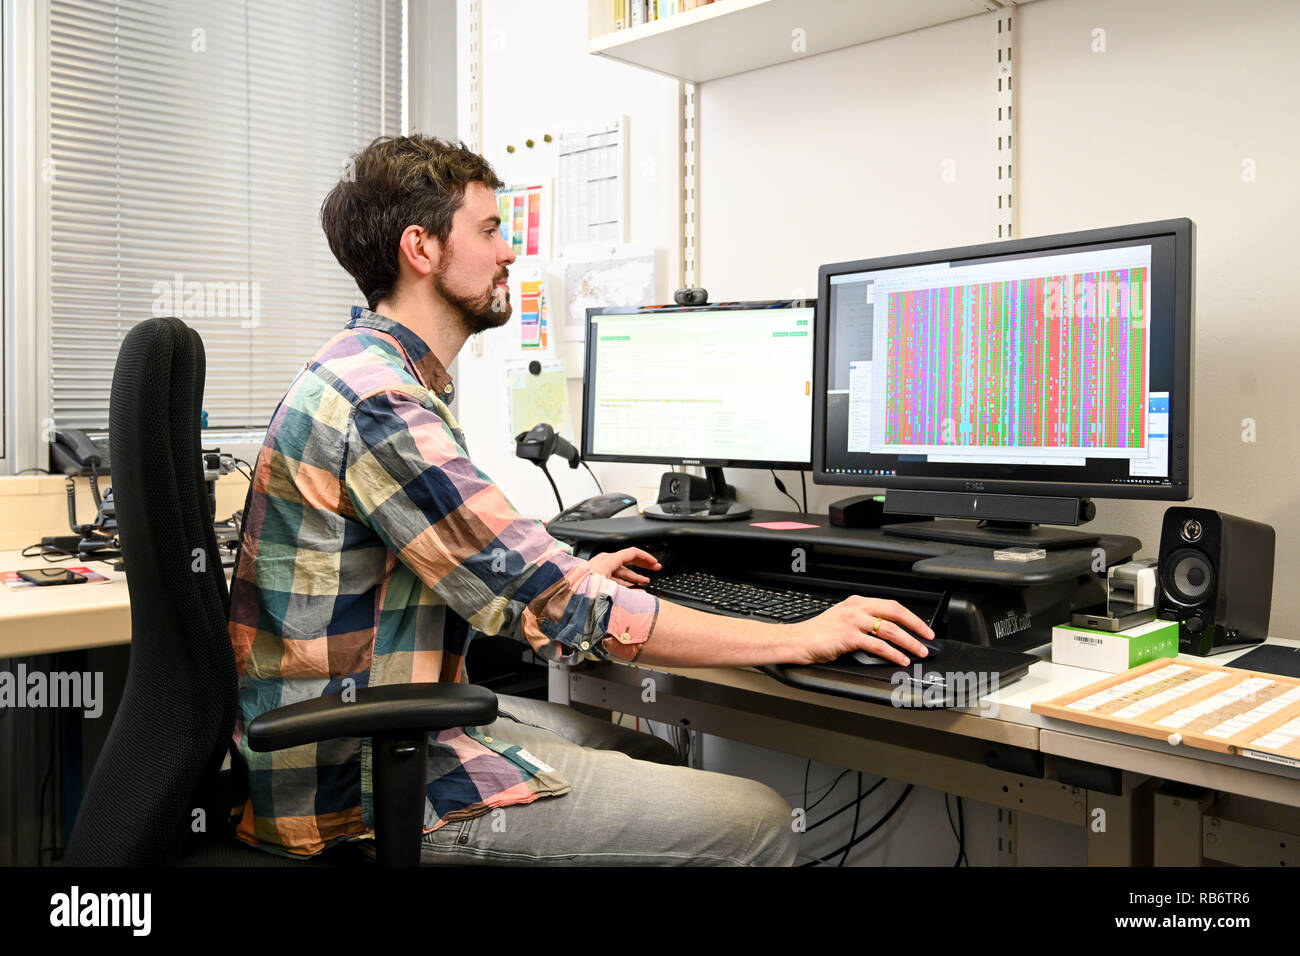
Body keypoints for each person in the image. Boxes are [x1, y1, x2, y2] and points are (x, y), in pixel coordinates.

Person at [226, 134, 934, 866]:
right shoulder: (382, 405)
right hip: (356, 791)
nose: (508, 254)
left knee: (645, 750)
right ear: (422, 249)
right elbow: (569, 612)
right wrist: (801, 633)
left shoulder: (365, 373)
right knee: (757, 820)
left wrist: (571, 566)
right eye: (491, 231)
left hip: (357, 744)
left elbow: (487, 551)